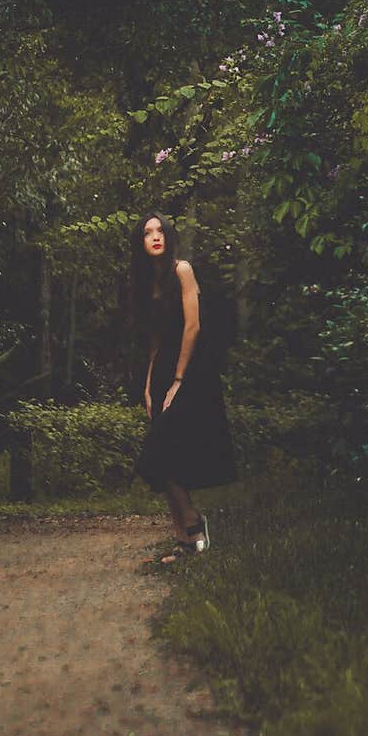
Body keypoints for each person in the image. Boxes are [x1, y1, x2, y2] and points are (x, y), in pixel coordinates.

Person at [129, 210, 236, 563]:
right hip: (162, 370)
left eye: (160, 230)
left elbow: (193, 327)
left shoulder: (182, 270)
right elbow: (155, 340)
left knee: (160, 454)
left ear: (168, 236)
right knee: (163, 456)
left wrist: (178, 380)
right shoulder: (150, 282)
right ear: (141, 242)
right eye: (148, 232)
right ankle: (183, 539)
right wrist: (148, 385)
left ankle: (194, 526)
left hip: (191, 369)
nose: (155, 236)